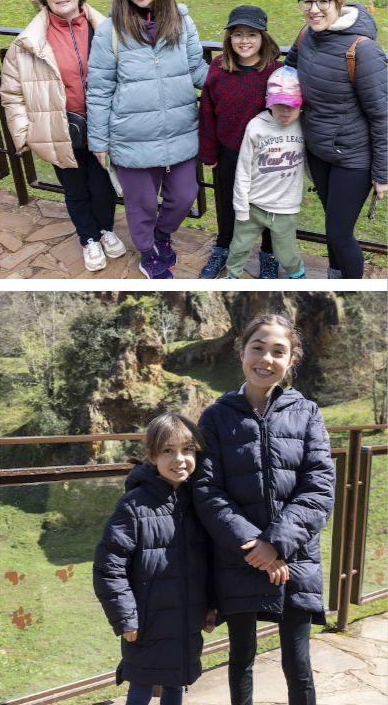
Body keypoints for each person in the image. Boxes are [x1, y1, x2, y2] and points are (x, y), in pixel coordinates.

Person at [194, 313, 335, 705]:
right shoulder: (216, 416)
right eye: (258, 348)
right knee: (241, 658)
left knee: (298, 661)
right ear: (242, 351)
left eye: (279, 351)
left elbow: (319, 487)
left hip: (295, 558)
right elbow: (207, 490)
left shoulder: (307, 413)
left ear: (291, 360)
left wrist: (276, 544)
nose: (266, 359)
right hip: (238, 558)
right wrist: (254, 546)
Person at [87, 0, 208, 279]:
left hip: (182, 129)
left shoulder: (180, 21)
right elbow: (99, 88)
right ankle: (147, 253)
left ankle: (162, 235)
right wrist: (99, 141)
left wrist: (240, 87)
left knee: (184, 195)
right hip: (131, 135)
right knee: (140, 204)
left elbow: (198, 69)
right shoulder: (111, 30)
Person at [0, 0, 122, 272]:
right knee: (75, 188)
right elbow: (11, 94)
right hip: (58, 126)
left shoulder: (108, 31)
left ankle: (106, 229)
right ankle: (88, 238)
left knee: (103, 186)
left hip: (100, 125)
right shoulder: (27, 44)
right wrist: (24, 133)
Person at [92, 413, 217, 705]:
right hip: (146, 622)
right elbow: (108, 569)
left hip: (186, 618)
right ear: (150, 455)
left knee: (176, 683)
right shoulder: (134, 506)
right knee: (141, 686)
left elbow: (207, 562)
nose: (180, 459)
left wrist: (211, 605)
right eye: (167, 451)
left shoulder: (196, 502)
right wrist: (125, 619)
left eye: (187, 450)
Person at [287, 0, 387, 279]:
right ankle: (334, 274)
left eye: (322, 1)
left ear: (338, 1)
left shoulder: (363, 51)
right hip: (319, 150)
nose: (313, 9)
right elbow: (287, 70)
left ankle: (353, 289)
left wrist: (382, 174)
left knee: (339, 233)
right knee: (332, 224)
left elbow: (382, 116)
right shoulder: (305, 35)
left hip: (353, 158)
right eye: (306, 1)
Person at [197, 5, 285, 278]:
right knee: (227, 204)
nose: (244, 41)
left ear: (263, 38)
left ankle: (269, 255)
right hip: (229, 151)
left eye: (251, 34)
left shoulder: (276, 72)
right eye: (237, 34)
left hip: (266, 156)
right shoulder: (218, 68)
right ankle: (224, 247)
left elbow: (287, 116)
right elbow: (208, 111)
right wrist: (209, 153)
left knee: (268, 208)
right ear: (229, 38)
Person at [225, 68, 307, 279]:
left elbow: (311, 164)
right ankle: (232, 276)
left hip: (285, 208)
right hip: (254, 205)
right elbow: (243, 169)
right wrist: (241, 206)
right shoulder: (256, 126)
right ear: (268, 101)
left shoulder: (305, 127)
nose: (286, 111)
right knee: (239, 246)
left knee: (287, 252)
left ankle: (297, 276)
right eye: (279, 104)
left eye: (292, 105)